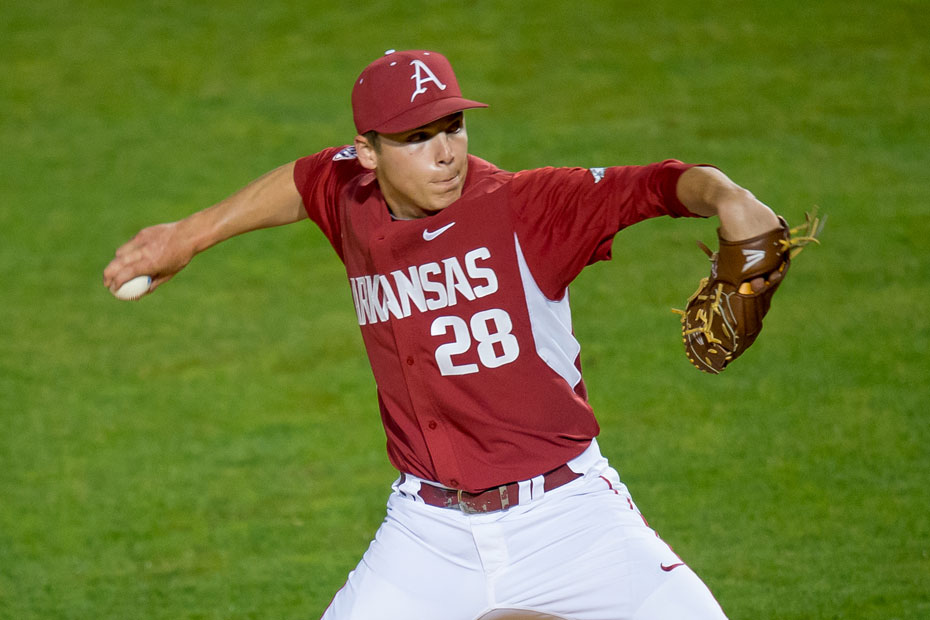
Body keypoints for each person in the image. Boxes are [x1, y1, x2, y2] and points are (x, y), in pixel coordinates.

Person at [104, 49, 781, 620]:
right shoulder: (350, 195)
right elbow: (299, 180)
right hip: (427, 532)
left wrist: (727, 197)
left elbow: (657, 186)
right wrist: (188, 236)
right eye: (418, 138)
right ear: (365, 152)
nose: (446, 153)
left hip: (569, 517)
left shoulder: (525, 207)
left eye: (453, 127)